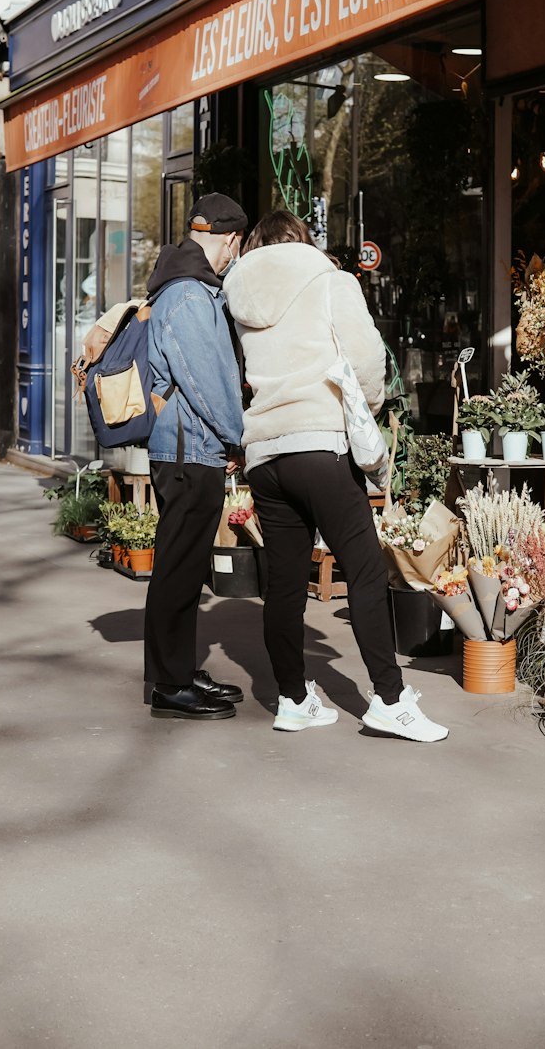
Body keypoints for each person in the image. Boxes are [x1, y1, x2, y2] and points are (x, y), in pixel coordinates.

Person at [226, 210, 448, 743]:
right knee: (366, 571)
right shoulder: (329, 280)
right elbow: (369, 359)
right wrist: (364, 407)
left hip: (266, 454)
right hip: (319, 444)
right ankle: (391, 701)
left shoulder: (237, 293)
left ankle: (293, 699)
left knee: (284, 583)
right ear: (302, 241)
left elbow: (235, 370)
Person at [144, 194, 248, 720]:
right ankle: (169, 682)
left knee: (183, 565)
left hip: (190, 447)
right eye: (236, 247)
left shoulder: (187, 288)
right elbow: (207, 381)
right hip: (189, 450)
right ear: (229, 240)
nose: (233, 258)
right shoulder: (188, 294)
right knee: (179, 568)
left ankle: (178, 667)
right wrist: (238, 437)